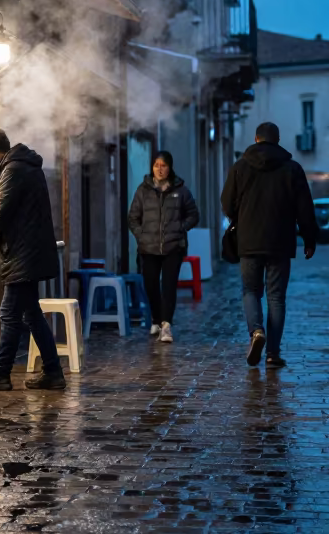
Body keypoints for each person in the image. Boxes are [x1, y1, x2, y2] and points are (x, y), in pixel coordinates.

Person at [0, 128, 65, 391]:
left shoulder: (14, 169)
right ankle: (52, 372)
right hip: (29, 252)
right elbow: (1, 208)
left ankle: (0, 374)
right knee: (31, 314)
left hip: (23, 254)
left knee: (9, 313)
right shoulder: (20, 166)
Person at [221, 120, 317, 368]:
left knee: (250, 290)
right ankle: (273, 354)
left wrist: (240, 217)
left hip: (249, 240)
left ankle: (256, 331)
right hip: (280, 242)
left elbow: (227, 203)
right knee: (276, 297)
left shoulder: (240, 167)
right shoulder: (292, 169)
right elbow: (304, 208)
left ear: (256, 139)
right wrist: (309, 239)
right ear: (277, 140)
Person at [128, 150, 199, 343]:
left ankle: (166, 325)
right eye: (156, 165)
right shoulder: (143, 190)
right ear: (152, 167)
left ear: (170, 167)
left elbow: (193, 215)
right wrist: (141, 235)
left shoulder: (181, 190)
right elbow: (133, 217)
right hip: (148, 247)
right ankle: (156, 319)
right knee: (151, 285)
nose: (160, 169)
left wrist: (180, 228)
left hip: (173, 247)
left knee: (169, 286)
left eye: (164, 165)